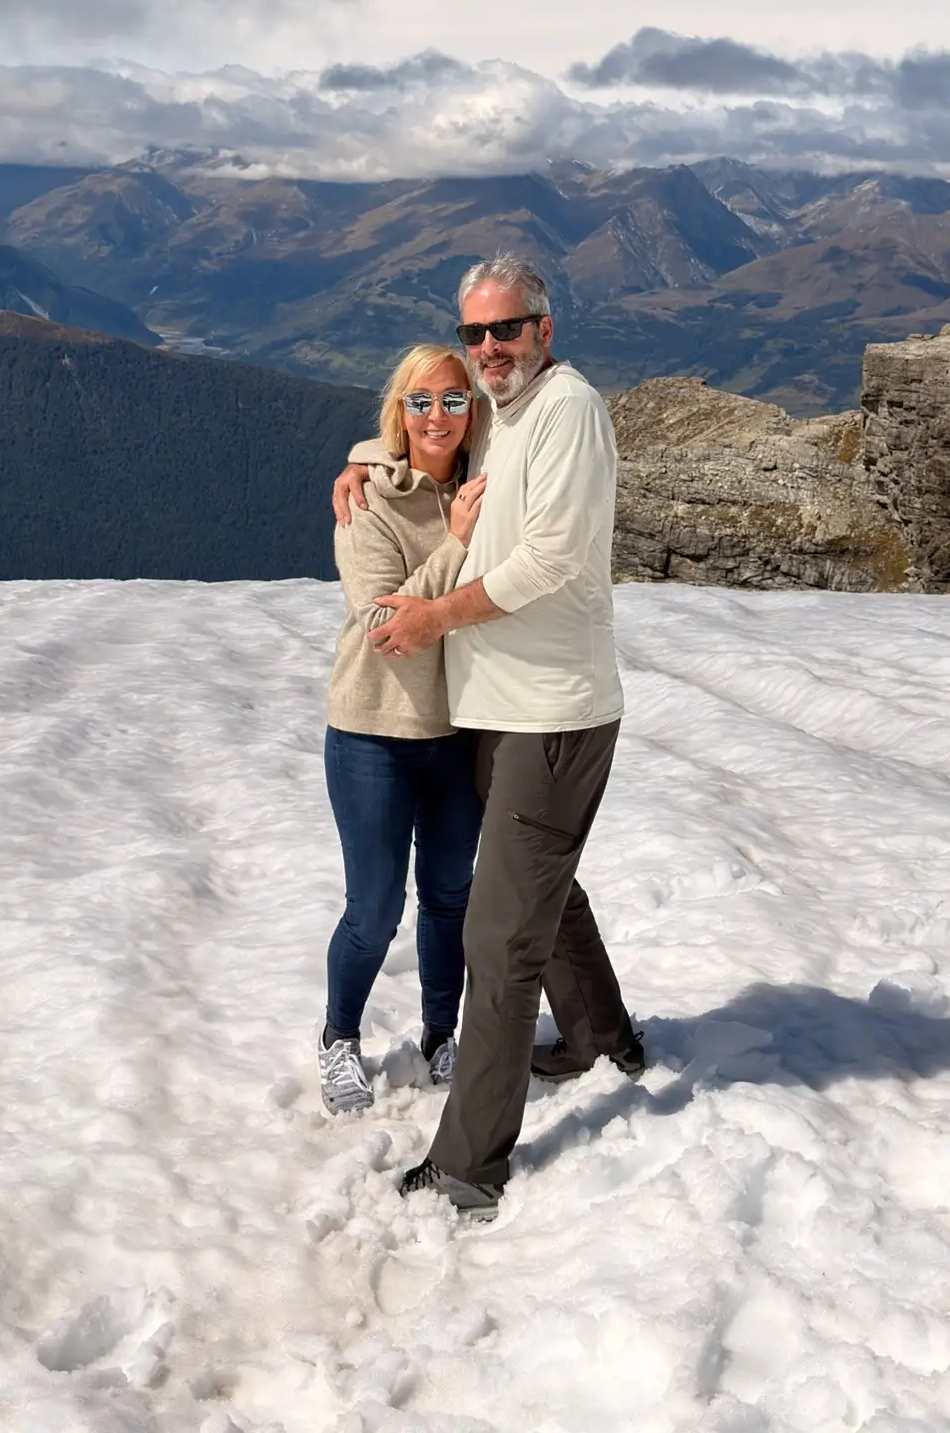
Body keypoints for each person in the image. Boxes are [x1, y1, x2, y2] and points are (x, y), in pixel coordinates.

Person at [334, 255, 642, 1221]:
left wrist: (433, 620)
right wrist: (360, 461)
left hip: (551, 710)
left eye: (506, 329)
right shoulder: (503, 417)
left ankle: (469, 1163)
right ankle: (601, 1040)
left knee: (499, 933)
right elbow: (419, 438)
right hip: (501, 708)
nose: (489, 349)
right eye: (475, 334)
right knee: (544, 882)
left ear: (546, 328)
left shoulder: (566, 410)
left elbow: (551, 558)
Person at [317, 344, 489, 1117]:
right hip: (372, 732)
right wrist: (454, 542)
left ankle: (440, 1032)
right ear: (399, 411)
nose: (438, 416)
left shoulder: (488, 480)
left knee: (450, 895)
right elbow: (385, 622)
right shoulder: (367, 503)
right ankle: (339, 1037)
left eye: (454, 400)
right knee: (376, 906)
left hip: (457, 728)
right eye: (421, 402)